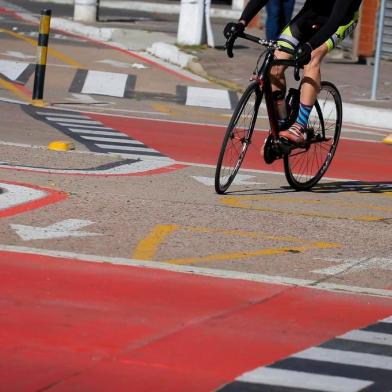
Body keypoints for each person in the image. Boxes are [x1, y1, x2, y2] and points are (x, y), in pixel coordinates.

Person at [224, 0, 362, 146]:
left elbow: (336, 19)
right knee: (275, 64)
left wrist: (309, 46)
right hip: (311, 14)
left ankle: (300, 127)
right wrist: (241, 22)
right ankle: (283, 118)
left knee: (312, 58)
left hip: (341, 20)